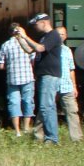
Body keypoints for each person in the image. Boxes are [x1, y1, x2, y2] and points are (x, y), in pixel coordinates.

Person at [15, 13, 63, 144]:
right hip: (43, 75)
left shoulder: (53, 35)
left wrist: (26, 36)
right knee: (48, 107)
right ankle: (51, 137)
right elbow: (30, 50)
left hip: (49, 75)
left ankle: (51, 138)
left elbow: (40, 48)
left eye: (36, 24)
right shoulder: (43, 37)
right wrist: (20, 39)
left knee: (45, 107)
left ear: (44, 22)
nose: (35, 27)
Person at [0, 21, 35, 136]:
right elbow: (33, 62)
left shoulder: (5, 45)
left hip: (12, 79)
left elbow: (0, 66)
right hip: (28, 77)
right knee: (28, 101)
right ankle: (26, 127)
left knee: (14, 103)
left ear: (10, 33)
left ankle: (17, 131)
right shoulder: (28, 45)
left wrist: (10, 67)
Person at [56, 26, 83, 142]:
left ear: (66, 36)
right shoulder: (49, 49)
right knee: (45, 110)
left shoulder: (67, 50)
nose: (60, 36)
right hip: (53, 86)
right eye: (58, 34)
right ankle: (39, 135)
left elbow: (71, 69)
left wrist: (74, 86)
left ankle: (77, 139)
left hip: (66, 86)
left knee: (72, 111)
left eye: (62, 34)